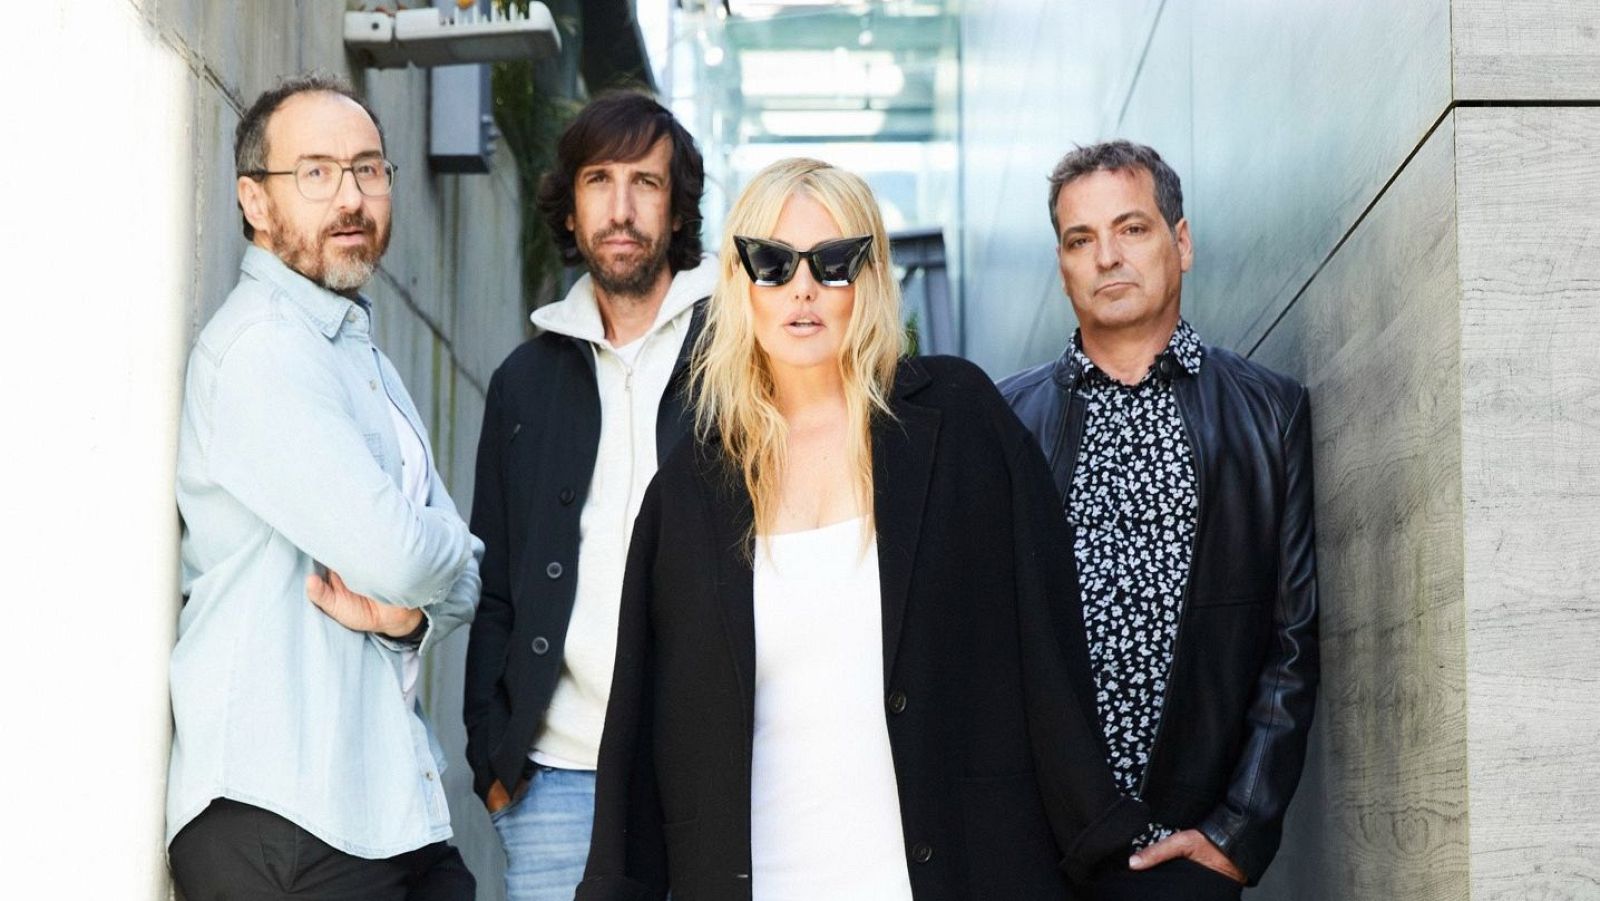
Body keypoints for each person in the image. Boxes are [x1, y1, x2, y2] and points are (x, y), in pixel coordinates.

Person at [576, 157, 1147, 901]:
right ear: (740, 283)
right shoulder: (691, 488)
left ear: (870, 275)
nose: (803, 288)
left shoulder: (961, 420)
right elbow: (643, 732)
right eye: (772, 263)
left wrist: (1107, 844)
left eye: (832, 262)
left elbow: (1050, 650)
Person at [167, 73, 481, 898]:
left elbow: (454, 586)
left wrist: (412, 609)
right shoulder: (263, 350)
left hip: (387, 808)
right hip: (283, 817)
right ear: (255, 201)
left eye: (369, 169)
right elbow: (410, 550)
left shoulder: (359, 352)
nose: (351, 196)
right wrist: (440, 558)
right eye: (315, 172)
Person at [999, 140, 1320, 900]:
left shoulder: (1267, 414)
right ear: (1062, 263)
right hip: (1032, 853)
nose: (1107, 256)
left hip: (1184, 852)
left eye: (1132, 229)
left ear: (1181, 243)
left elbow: (1293, 641)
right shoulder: (1007, 421)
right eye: (1081, 239)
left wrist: (1237, 831)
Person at [463, 91, 718, 900]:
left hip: (714, 772)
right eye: (598, 180)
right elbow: (494, 577)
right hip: (557, 780)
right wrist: (491, 752)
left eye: (646, 182)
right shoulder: (524, 381)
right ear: (569, 210)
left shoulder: (739, 353)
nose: (620, 208)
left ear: (677, 210)